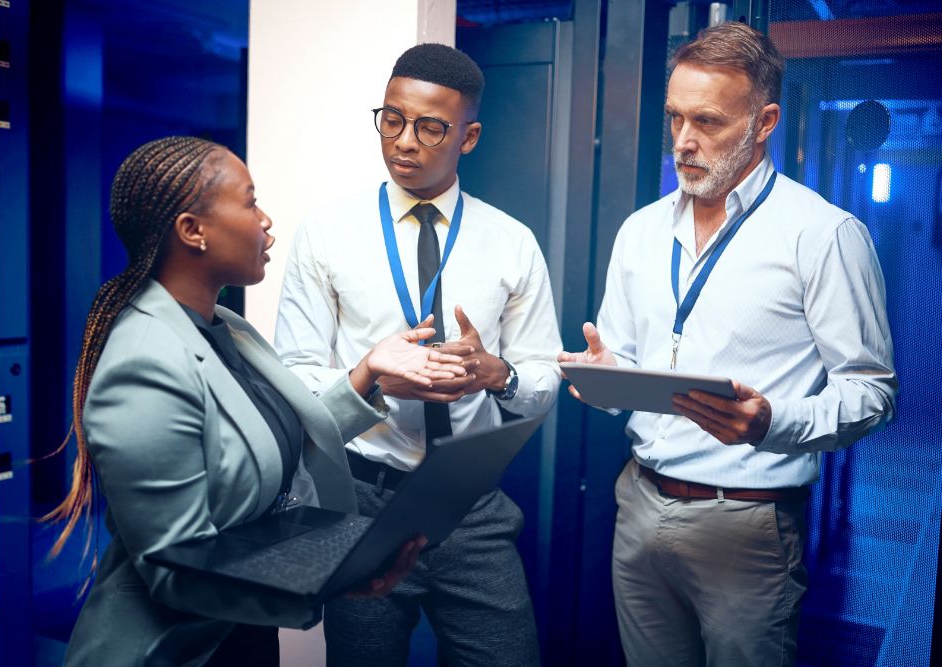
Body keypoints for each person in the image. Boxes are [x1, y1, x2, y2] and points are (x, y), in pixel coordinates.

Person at [45, 136, 469, 666]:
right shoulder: (144, 361)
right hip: (172, 651)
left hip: (240, 637)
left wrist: (368, 371)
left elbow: (273, 438)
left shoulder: (224, 327)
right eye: (249, 202)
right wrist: (329, 581)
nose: (266, 220)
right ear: (191, 231)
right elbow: (175, 569)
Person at [558, 22, 897, 667]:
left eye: (708, 122)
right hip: (637, 503)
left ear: (764, 121)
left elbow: (872, 393)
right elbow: (626, 359)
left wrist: (771, 421)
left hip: (747, 527)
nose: (684, 142)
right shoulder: (640, 231)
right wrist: (604, 375)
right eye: (675, 118)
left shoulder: (822, 236)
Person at [275, 43, 561, 666]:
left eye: (431, 127)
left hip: (471, 502)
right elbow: (294, 378)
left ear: (469, 136)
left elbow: (543, 377)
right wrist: (374, 381)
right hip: (363, 500)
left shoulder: (512, 243)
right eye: (392, 119)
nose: (404, 141)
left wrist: (498, 374)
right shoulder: (327, 232)